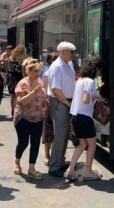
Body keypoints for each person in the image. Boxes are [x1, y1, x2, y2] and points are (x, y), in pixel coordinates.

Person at [64, 58, 104, 181]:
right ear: (96, 69)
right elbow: (86, 100)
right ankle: (88, 171)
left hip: (75, 116)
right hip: (84, 116)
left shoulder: (80, 80)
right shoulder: (90, 81)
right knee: (92, 144)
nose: (99, 72)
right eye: (99, 70)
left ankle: (70, 170)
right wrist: (97, 97)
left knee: (82, 144)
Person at [12, 58, 46, 179]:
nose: (38, 74)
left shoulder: (41, 82)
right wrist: (34, 92)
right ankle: (17, 161)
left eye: (39, 71)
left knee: (36, 143)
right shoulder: (23, 83)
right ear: (28, 71)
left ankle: (31, 168)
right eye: (35, 71)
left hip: (37, 117)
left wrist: (45, 108)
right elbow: (21, 102)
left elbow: (44, 99)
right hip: (23, 117)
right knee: (23, 142)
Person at [47, 41, 77, 177]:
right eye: (71, 51)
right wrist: (68, 103)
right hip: (60, 102)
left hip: (66, 101)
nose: (73, 54)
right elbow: (55, 89)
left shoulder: (69, 64)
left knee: (65, 134)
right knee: (60, 135)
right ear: (62, 52)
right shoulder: (57, 66)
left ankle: (60, 162)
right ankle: (54, 166)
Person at [42, 52, 58, 166]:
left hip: (59, 103)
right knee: (48, 130)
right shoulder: (47, 73)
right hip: (49, 102)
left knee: (59, 131)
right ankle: (47, 155)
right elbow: (44, 90)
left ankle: (56, 154)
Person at [7, 44, 27, 118]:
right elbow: (22, 71)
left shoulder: (11, 58)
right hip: (19, 78)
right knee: (20, 95)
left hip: (12, 78)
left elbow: (8, 68)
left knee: (13, 96)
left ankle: (13, 111)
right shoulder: (22, 59)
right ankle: (18, 111)